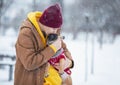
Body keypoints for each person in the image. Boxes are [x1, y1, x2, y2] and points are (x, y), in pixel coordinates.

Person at [14, 3, 74, 85]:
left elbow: (64, 49)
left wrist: (69, 62)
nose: (55, 32)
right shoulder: (26, 33)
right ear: (45, 24)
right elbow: (29, 63)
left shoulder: (53, 31)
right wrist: (52, 49)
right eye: (53, 28)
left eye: (58, 29)